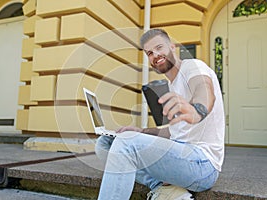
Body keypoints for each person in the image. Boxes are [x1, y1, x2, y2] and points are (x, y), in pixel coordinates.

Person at [95, 29, 225, 200]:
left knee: (127, 144)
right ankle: (166, 190)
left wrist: (196, 110)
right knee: (105, 143)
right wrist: (140, 132)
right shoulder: (172, 85)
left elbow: (204, 89)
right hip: (182, 157)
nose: (155, 55)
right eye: (150, 53)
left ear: (172, 47)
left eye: (159, 47)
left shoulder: (192, 67)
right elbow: (173, 133)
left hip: (203, 165)